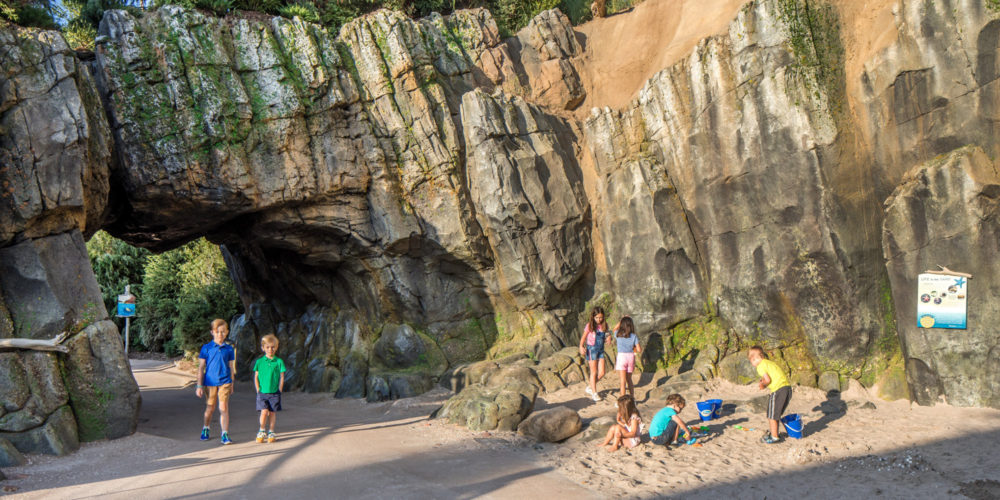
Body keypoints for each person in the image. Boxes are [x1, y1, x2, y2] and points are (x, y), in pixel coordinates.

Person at [196, 319, 236, 445]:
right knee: (210, 408)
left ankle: (224, 433)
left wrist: (232, 383)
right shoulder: (206, 348)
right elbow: (201, 367)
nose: (220, 334)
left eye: (223, 332)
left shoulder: (229, 349)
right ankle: (206, 428)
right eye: (217, 332)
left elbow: (231, 367)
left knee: (223, 407)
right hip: (210, 382)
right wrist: (199, 385)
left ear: (227, 332)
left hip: (225, 381)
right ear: (212, 332)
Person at [748, 345, 791, 444]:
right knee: (775, 413)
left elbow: (768, 380)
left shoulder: (760, 367)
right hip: (787, 388)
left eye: (751, 360)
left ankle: (774, 437)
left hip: (778, 390)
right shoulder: (768, 363)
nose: (752, 363)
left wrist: (762, 385)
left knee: (771, 415)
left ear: (754, 359)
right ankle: (775, 433)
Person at [253, 334, 286, 444]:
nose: (270, 349)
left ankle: (271, 431)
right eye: (267, 347)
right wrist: (258, 389)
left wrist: (280, 389)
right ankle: (261, 430)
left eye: (272, 347)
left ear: (276, 347)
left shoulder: (279, 361)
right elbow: (256, 376)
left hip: (274, 392)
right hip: (262, 392)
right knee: (263, 412)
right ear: (263, 348)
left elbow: (282, 376)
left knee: (272, 413)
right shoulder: (259, 362)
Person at [578, 306, 611, 402]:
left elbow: (607, 334)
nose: (599, 320)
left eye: (600, 317)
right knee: (594, 372)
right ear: (593, 317)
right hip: (591, 350)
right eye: (596, 317)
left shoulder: (605, 325)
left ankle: (590, 387)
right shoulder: (589, 326)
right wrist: (581, 346)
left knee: (602, 373)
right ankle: (594, 393)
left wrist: (609, 337)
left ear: (603, 317)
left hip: (601, 350)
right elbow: (583, 337)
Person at [613, 316, 642, 399]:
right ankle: (632, 398)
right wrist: (634, 348)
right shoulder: (634, 336)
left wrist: (621, 319)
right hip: (630, 357)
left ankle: (622, 400)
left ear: (621, 325)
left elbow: (614, 329)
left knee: (622, 381)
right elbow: (639, 350)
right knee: (629, 380)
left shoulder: (618, 334)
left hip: (622, 357)